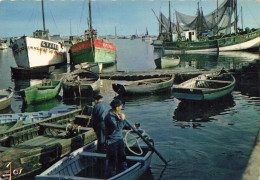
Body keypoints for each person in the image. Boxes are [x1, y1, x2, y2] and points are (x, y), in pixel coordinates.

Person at [104, 99, 128, 178]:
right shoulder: (110, 117)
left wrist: (123, 121)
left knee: (122, 157)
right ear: (117, 107)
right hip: (112, 142)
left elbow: (121, 126)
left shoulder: (117, 114)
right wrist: (122, 119)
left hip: (119, 140)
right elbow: (117, 128)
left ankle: (125, 172)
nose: (121, 107)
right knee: (112, 160)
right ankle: (111, 176)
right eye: (120, 106)